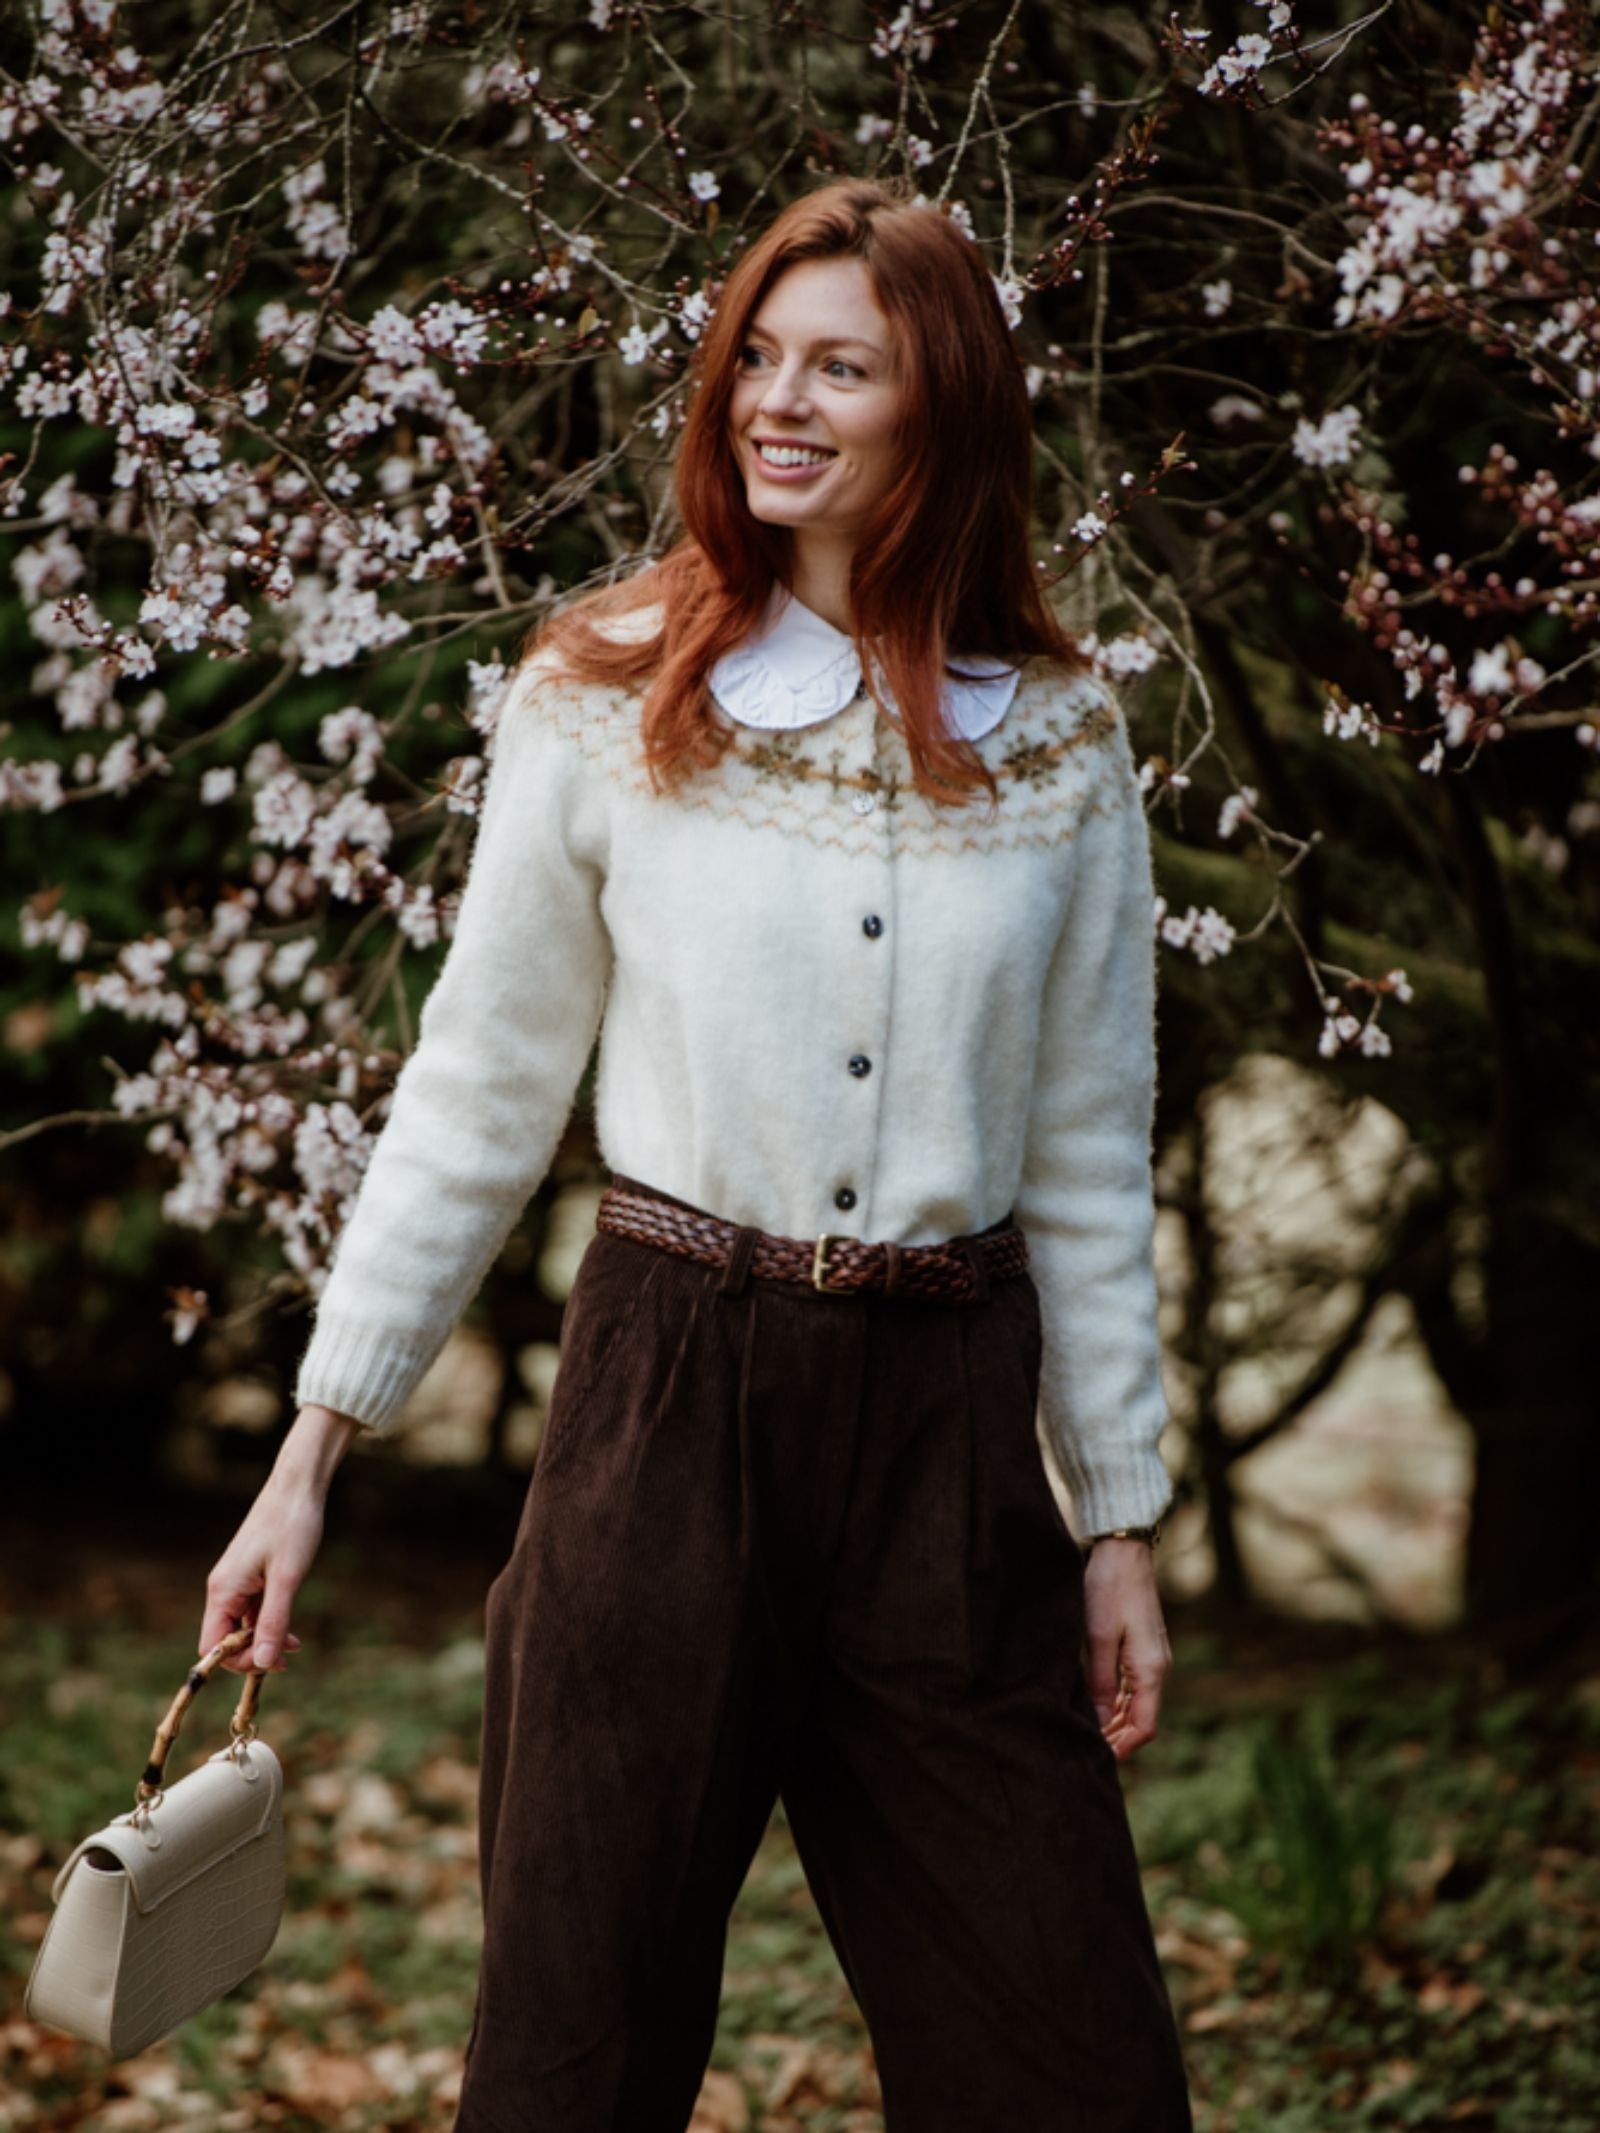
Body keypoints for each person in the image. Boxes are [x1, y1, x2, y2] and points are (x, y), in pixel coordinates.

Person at [200, 174, 1194, 2130]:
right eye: (758, 351)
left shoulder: (1065, 744)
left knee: (1067, 2062)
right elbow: (480, 1087)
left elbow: (1085, 1150)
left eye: (843, 364)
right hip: (664, 1403)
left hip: (944, 1445)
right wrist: (311, 1455)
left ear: (949, 411)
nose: (778, 398)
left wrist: (1116, 1518)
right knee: (572, 2057)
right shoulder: (599, 688)